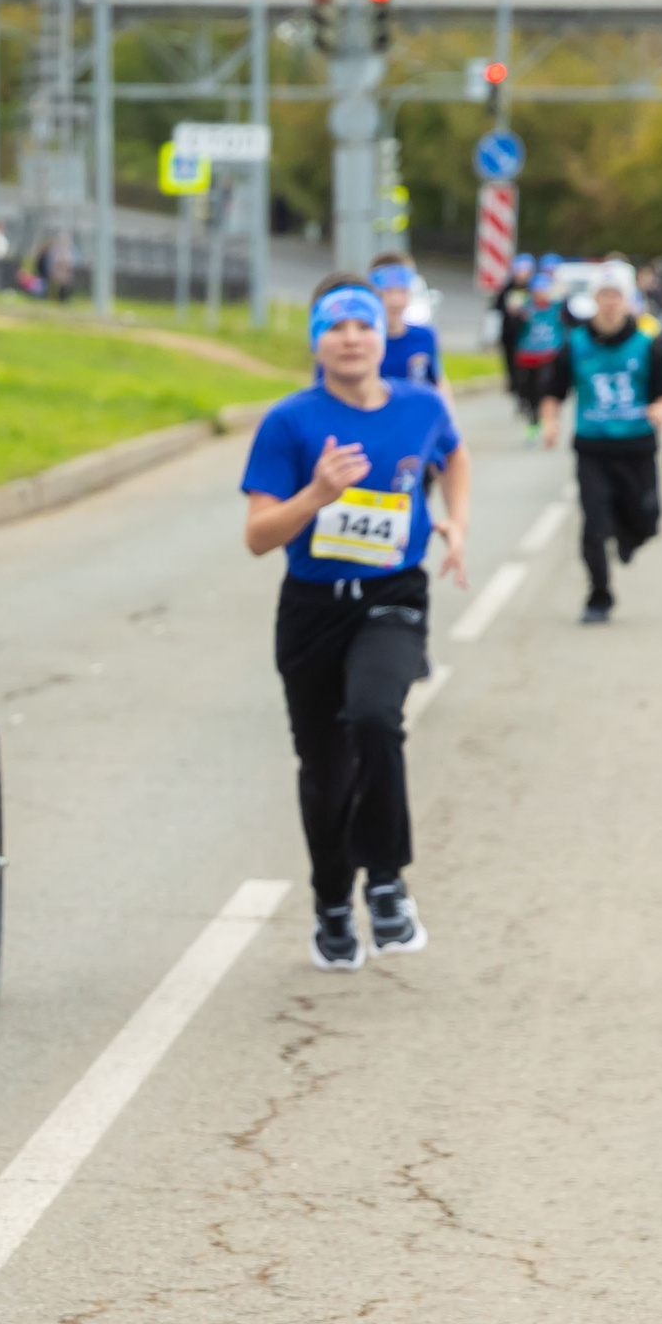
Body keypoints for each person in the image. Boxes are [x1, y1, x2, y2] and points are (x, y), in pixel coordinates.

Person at [241, 274, 470, 972]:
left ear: (382, 335)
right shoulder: (290, 422)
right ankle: (333, 902)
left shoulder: (421, 406)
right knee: (326, 769)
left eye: (362, 325)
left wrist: (455, 521)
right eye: (335, 326)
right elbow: (257, 536)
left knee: (375, 717)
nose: (350, 338)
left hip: (392, 596)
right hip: (312, 607)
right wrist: (317, 493)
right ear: (317, 340)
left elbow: (453, 453)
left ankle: (390, 886)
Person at [539, 260, 662, 624]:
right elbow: (554, 390)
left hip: (637, 447)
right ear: (594, 299)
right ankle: (599, 594)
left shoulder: (647, 345)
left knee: (648, 521)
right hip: (593, 447)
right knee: (593, 525)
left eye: (617, 295)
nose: (611, 302)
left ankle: (630, 536)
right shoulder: (576, 344)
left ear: (629, 300)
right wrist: (549, 423)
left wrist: (661, 410)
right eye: (604, 295)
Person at [370, 252, 454, 412]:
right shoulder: (362, 342)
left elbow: (438, 383)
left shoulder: (425, 337)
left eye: (401, 291)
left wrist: (449, 423)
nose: (395, 300)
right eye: (387, 292)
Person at [511, 265, 569, 449]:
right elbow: (511, 331)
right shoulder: (525, 307)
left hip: (549, 355)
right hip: (527, 356)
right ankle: (533, 420)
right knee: (528, 393)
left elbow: (572, 319)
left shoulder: (557, 307)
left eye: (543, 291)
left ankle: (547, 420)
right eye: (537, 291)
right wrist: (515, 315)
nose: (540, 294)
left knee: (544, 388)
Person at [495, 252, 537, 422]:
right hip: (510, 337)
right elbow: (497, 307)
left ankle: (531, 401)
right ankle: (520, 398)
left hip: (529, 338)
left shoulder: (535, 289)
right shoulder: (508, 288)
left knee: (528, 372)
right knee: (513, 371)